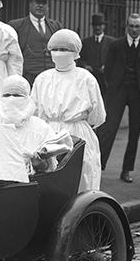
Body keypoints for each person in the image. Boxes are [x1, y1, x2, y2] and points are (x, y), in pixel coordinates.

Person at [0, 75, 69, 183]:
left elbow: (49, 168)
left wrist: (37, 163)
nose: (12, 99)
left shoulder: (40, 127)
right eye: (7, 95)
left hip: (30, 185)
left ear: (27, 98)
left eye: (17, 95)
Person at [31, 29, 105, 191]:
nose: (59, 53)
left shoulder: (86, 78)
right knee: (48, 177)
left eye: (64, 49)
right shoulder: (42, 78)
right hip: (47, 134)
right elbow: (33, 112)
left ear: (75, 52)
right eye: (55, 49)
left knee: (82, 177)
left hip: (78, 135)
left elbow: (97, 115)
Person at [98, 13, 140, 184]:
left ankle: (127, 170)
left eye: (137, 26)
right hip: (119, 91)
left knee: (134, 134)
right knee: (109, 128)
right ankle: (99, 167)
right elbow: (108, 71)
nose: (134, 29)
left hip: (137, 92)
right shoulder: (116, 45)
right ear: (126, 27)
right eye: (131, 26)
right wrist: (114, 86)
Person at [8, 0, 63, 85]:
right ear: (30, 3)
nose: (40, 5)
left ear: (48, 6)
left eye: (44, 2)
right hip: (28, 80)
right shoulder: (17, 27)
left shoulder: (56, 27)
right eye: (37, 1)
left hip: (51, 81)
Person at [79, 12, 115, 95]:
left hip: (106, 81)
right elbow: (80, 59)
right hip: (90, 79)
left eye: (100, 25)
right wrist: (85, 66)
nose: (97, 27)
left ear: (104, 26)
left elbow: (116, 60)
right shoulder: (86, 42)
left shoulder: (112, 42)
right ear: (92, 26)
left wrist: (107, 66)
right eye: (95, 25)